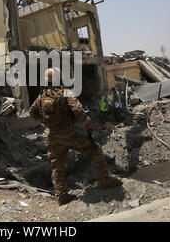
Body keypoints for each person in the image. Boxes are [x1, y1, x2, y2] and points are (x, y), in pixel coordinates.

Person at [29, 68, 122, 205]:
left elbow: (32, 112)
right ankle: (104, 180)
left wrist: (44, 122)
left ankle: (61, 195)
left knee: (57, 167)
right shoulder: (65, 92)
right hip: (69, 134)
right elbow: (78, 109)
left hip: (53, 136)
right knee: (95, 151)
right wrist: (87, 124)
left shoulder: (42, 96)